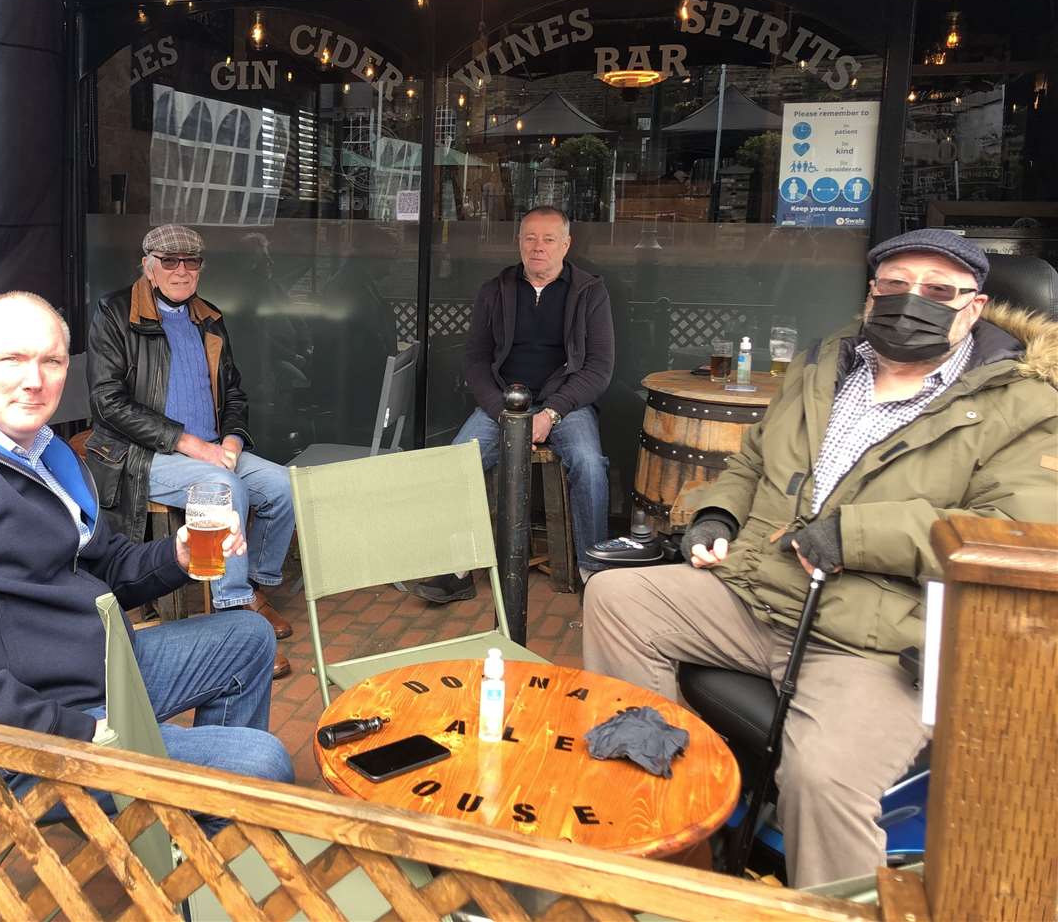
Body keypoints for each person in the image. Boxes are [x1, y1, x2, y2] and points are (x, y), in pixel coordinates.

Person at [583, 228, 1058, 888]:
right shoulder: (824, 366)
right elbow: (750, 462)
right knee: (617, 598)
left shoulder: (1026, 404)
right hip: (763, 594)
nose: (910, 301)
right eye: (893, 286)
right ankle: (677, 820)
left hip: (878, 640)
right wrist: (716, 513)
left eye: (937, 291)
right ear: (871, 295)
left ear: (974, 308)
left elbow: (1011, 533)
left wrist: (859, 534)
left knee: (824, 778)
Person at [0, 292, 292, 829]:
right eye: (11, 359)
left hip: (92, 671)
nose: (33, 379)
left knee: (247, 638)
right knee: (260, 765)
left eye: (51, 361)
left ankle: (178, 831)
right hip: (11, 744)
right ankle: (184, 827)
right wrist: (77, 733)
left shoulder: (43, 453)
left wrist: (176, 556)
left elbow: (106, 565)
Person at [86, 225, 296, 679]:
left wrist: (234, 439)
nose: (181, 271)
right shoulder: (114, 312)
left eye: (191, 262)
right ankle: (234, 612)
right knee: (222, 488)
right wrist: (190, 444)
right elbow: (108, 403)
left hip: (212, 447)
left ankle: (253, 585)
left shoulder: (209, 316)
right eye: (170, 261)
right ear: (148, 265)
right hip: (139, 454)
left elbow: (234, 393)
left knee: (281, 486)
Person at [407, 206, 614, 603]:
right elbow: (477, 361)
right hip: (504, 403)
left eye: (549, 239)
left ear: (566, 245)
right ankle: (457, 571)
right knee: (456, 464)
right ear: (518, 242)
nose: (538, 248)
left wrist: (552, 413)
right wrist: (501, 412)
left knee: (590, 465)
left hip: (565, 404)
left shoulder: (589, 291)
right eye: (530, 238)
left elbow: (599, 370)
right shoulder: (496, 290)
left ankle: (595, 574)